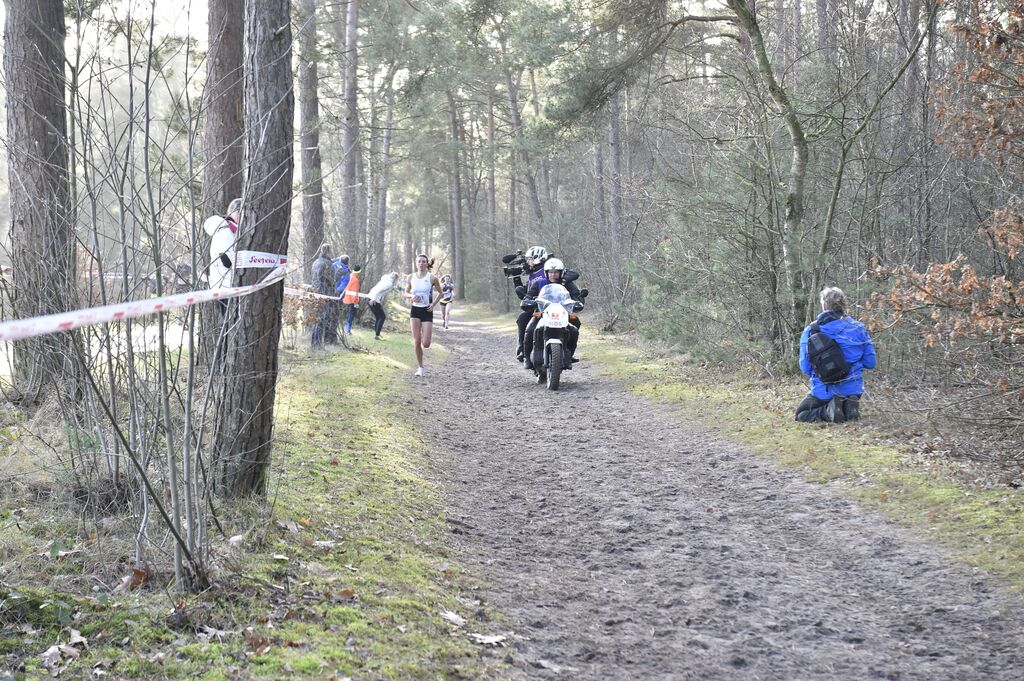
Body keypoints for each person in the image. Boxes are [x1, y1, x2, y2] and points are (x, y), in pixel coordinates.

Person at [795, 286, 877, 423]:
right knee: (848, 393)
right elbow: (871, 363)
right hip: (854, 387)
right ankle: (849, 406)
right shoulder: (858, 328)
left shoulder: (811, 331)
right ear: (843, 305)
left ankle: (829, 411)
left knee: (802, 414)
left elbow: (805, 368)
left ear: (824, 305)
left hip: (824, 390)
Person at [523, 258, 583, 371]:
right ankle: (527, 357)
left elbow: (576, 295)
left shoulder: (567, 284)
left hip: (563, 314)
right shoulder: (539, 283)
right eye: (550, 272)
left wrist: (578, 301)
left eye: (556, 272)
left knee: (574, 328)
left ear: (561, 273)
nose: (553, 275)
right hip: (541, 313)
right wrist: (528, 301)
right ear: (546, 273)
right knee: (530, 329)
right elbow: (529, 296)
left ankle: (568, 354)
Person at [404, 254, 443, 377]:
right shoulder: (411, 277)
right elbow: (405, 292)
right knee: (417, 342)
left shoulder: (432, 278)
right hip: (415, 311)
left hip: (427, 311)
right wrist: (411, 296)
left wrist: (433, 304)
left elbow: (441, 293)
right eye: (419, 261)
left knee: (426, 344)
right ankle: (420, 368)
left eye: (423, 262)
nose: (421, 263)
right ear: (416, 263)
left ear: (427, 264)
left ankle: (424, 334)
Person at [514, 246, 550, 360]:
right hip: (536, 307)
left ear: (538, 258)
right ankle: (522, 349)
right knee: (522, 319)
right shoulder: (532, 273)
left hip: (551, 305)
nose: (527, 262)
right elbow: (527, 292)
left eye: (530, 259)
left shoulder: (547, 270)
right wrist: (516, 279)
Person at [203, 197, 242, 293]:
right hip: (225, 286)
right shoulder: (225, 231)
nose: (241, 214)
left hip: (225, 284)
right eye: (238, 211)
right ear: (233, 212)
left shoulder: (231, 230)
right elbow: (226, 261)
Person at [352, 271, 399, 339]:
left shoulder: (385, 279)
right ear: (395, 279)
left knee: (378, 317)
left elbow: (381, 292)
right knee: (382, 317)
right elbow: (378, 290)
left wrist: (379, 298)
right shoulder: (389, 283)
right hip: (373, 299)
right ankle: (377, 335)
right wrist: (373, 299)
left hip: (369, 297)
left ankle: (377, 334)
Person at [310, 244, 339, 349]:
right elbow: (331, 281)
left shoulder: (315, 262)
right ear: (329, 252)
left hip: (315, 293)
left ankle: (314, 343)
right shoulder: (328, 264)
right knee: (322, 319)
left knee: (316, 318)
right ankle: (317, 345)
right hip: (325, 294)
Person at [342, 264, 362, 334]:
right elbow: (354, 292)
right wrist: (356, 302)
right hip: (351, 301)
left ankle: (346, 330)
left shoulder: (349, 276)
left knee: (348, 316)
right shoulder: (355, 280)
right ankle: (348, 330)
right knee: (350, 317)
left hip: (346, 299)